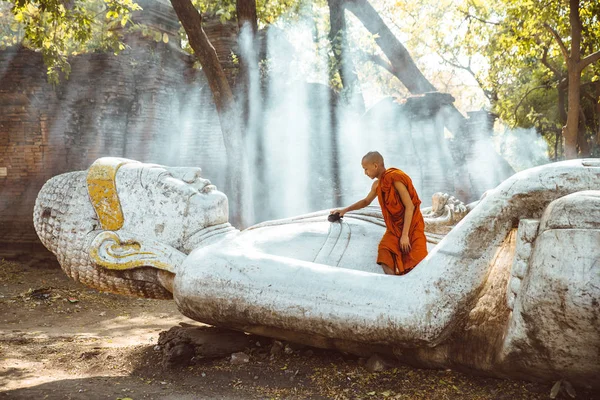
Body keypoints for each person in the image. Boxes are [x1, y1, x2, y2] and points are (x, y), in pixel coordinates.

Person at [331, 151, 427, 275]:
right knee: (384, 251)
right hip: (394, 228)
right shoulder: (377, 185)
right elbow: (366, 201)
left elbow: (410, 207)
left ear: (375, 166)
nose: (365, 173)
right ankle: (393, 285)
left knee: (416, 261)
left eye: (366, 169)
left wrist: (405, 235)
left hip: (411, 226)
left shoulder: (395, 178)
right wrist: (344, 210)